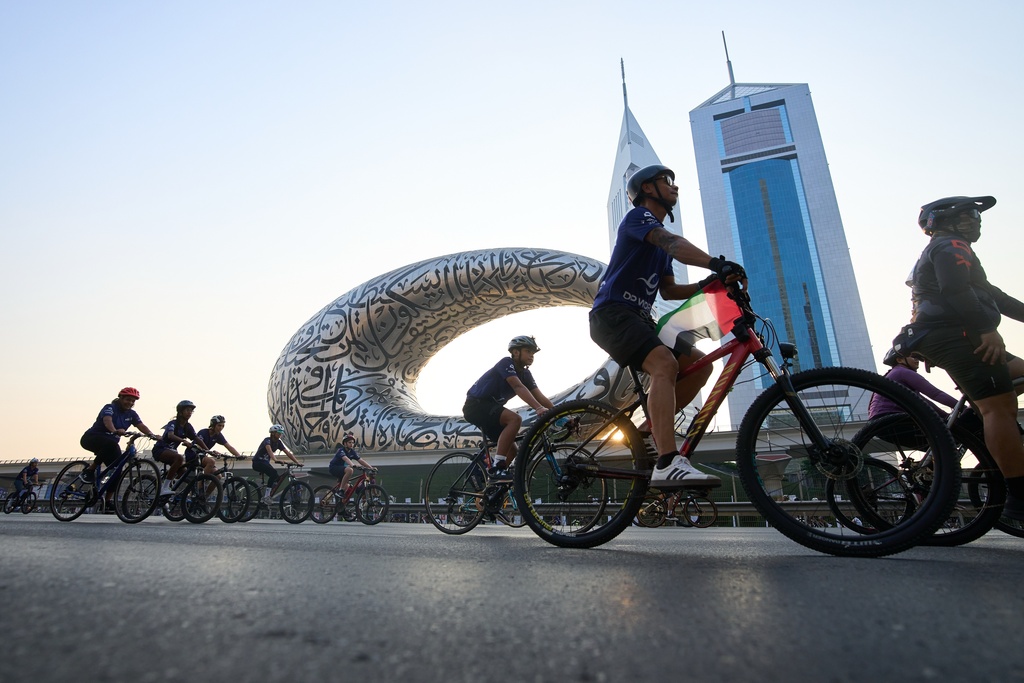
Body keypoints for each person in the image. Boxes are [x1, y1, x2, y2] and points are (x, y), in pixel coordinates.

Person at [589, 164, 745, 487]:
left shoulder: (660, 249)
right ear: (648, 189)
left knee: (700, 367)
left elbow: (670, 291)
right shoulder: (639, 220)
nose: (675, 187)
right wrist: (717, 262)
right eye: (667, 181)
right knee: (664, 363)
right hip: (612, 314)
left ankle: (648, 432)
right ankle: (667, 462)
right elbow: (671, 242)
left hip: (642, 318)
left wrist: (709, 283)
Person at [894, 195, 1024, 520]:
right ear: (944, 221)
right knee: (1000, 407)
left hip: (956, 333)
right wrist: (985, 329)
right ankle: (1020, 498)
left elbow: (997, 296)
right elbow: (954, 290)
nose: (976, 222)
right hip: (958, 335)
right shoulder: (949, 245)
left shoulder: (957, 249)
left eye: (976, 217)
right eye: (968, 216)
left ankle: (983, 427)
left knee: (998, 399)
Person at [463, 335, 555, 482]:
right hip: (476, 405)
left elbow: (540, 397)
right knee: (514, 419)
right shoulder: (506, 363)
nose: (531, 355)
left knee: (512, 450)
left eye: (533, 352)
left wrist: (562, 416)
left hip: (491, 408)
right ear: (516, 352)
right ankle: (497, 467)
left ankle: (491, 486)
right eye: (528, 351)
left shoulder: (526, 374)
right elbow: (517, 386)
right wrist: (538, 408)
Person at [79, 387, 159, 482]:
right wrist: (114, 431)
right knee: (111, 444)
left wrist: (151, 434)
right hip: (91, 438)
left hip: (110, 445)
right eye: (128, 400)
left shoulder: (132, 414)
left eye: (133, 401)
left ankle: (106, 496)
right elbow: (107, 420)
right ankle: (90, 470)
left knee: (117, 470)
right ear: (121, 398)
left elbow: (140, 425)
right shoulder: (110, 407)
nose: (130, 403)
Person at [868, 347, 958, 419]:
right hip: (892, 418)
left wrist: (945, 416)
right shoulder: (902, 372)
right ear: (899, 360)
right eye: (913, 357)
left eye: (918, 357)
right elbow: (936, 394)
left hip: (879, 422)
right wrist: (962, 408)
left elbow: (924, 402)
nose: (917, 360)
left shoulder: (893, 374)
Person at [151, 400, 198, 497]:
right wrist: (183, 441)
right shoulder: (172, 423)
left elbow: (196, 439)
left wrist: (207, 450)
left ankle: (169, 493)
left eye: (191, 411)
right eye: (187, 410)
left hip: (172, 452)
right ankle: (164, 488)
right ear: (180, 412)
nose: (190, 413)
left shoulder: (188, 426)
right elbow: (170, 435)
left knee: (184, 473)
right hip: (160, 449)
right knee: (179, 458)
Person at [252, 424, 301, 504]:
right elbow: (269, 450)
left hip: (265, 463)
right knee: (273, 473)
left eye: (281, 433)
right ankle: (266, 497)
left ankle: (269, 494)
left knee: (277, 479)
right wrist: (275, 459)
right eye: (279, 432)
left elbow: (288, 453)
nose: (280, 434)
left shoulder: (278, 442)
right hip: (258, 462)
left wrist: (297, 462)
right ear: (273, 433)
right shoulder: (267, 440)